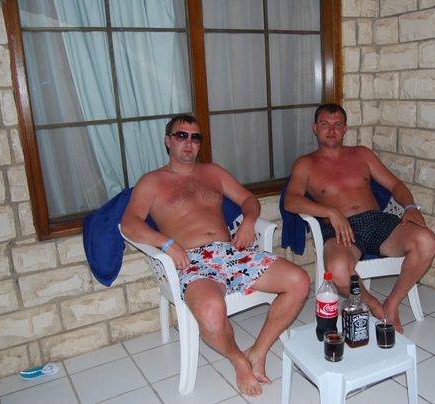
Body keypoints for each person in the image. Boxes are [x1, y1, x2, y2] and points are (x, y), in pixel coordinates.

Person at [121, 114, 310, 397]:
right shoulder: (152, 181)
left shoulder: (213, 173)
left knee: (299, 281)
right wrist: (166, 243)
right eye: (181, 136)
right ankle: (238, 360)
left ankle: (257, 351)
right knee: (211, 315)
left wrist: (248, 221)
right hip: (191, 259)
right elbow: (129, 223)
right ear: (168, 141)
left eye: (195, 137)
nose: (189, 142)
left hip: (232, 252)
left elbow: (249, 199)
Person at [284, 103, 435, 333]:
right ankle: (373, 305)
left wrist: (410, 206)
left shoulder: (361, 154)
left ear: (345, 128)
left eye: (337, 124)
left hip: (378, 221)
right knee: (337, 269)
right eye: (325, 124)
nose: (331, 130)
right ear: (315, 128)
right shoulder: (306, 163)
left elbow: (395, 184)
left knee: (426, 240)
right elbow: (291, 201)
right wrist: (330, 212)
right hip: (341, 230)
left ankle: (392, 303)